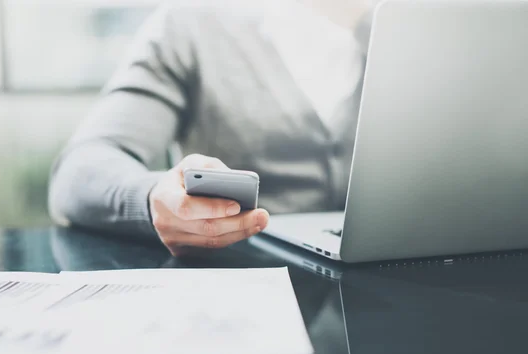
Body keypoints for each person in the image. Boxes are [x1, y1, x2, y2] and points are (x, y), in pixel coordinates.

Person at [48, 0, 374, 256]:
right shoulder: (190, 25)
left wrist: (369, 22)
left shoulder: (396, 30)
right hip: (241, 292)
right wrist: (152, 200)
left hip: (389, 293)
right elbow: (79, 170)